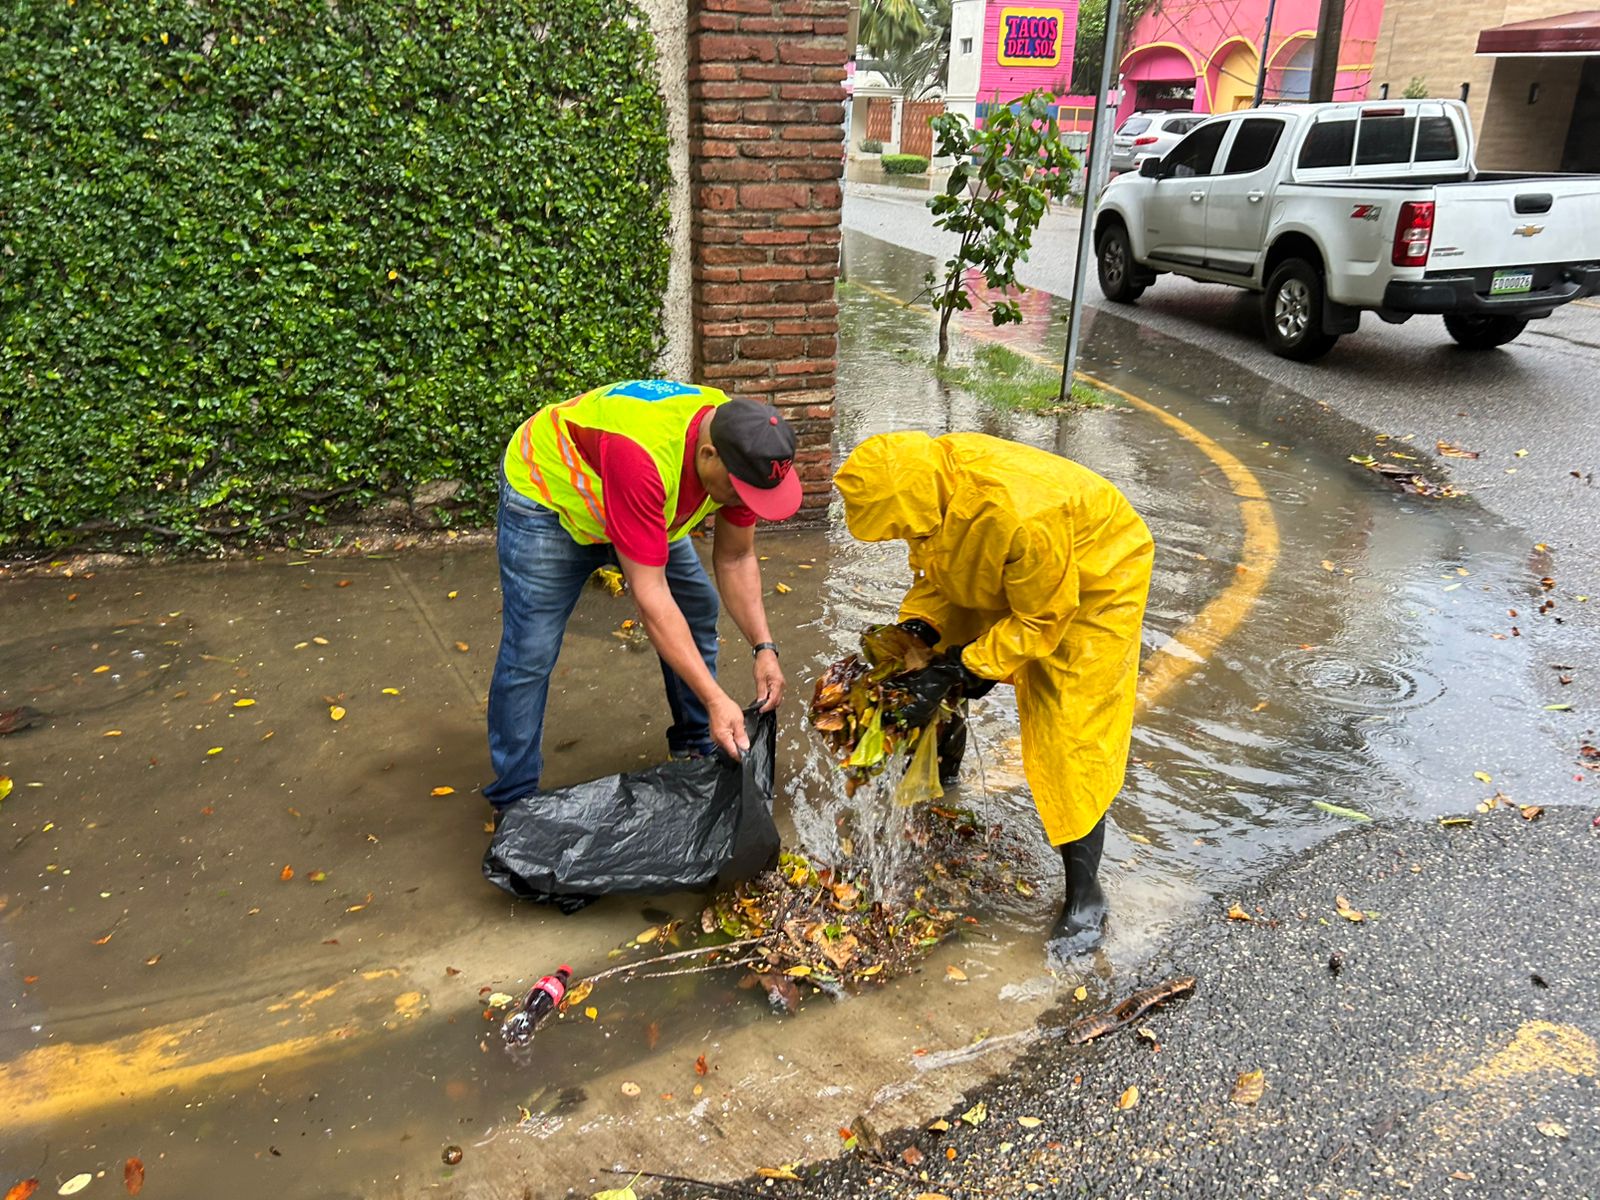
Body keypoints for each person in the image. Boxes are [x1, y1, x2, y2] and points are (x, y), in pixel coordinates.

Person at [833, 431, 1153, 960]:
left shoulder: (1022, 513)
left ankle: (1085, 894)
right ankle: (940, 785)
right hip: (1023, 569)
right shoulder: (928, 487)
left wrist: (967, 665)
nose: (902, 536)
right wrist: (924, 631)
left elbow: (1043, 617)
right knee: (925, 664)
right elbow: (939, 565)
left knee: (1071, 731)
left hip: (1095, 578)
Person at [484, 380, 802, 813]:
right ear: (707, 455)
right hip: (551, 501)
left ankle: (697, 745)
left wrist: (764, 648)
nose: (743, 502)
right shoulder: (646, 457)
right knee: (530, 652)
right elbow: (651, 597)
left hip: (640, 506)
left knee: (697, 607)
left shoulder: (746, 452)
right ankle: (514, 801)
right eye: (740, 493)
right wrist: (716, 697)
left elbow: (736, 557)